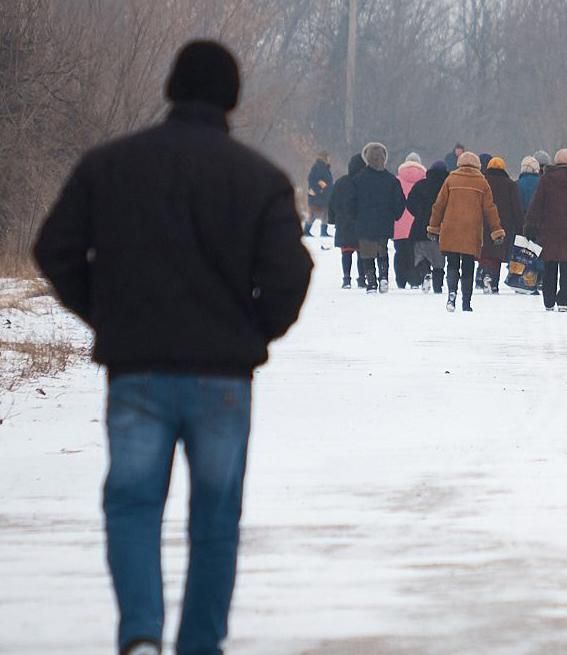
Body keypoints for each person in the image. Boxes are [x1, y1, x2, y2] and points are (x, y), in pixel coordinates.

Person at [32, 41, 312, 655]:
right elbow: (291, 274)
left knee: (132, 505)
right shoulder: (260, 180)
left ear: (170, 88)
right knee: (216, 518)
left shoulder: (109, 166)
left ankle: (139, 634)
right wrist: (251, 331)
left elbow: (53, 248)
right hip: (223, 378)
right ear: (232, 98)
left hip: (138, 372)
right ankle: (200, 644)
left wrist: (106, 315)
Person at [429, 151, 506, 312]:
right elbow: (490, 209)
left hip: (451, 228)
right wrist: (496, 230)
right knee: (468, 265)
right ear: (478, 165)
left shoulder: (451, 179)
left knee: (452, 263)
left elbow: (439, 205)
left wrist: (434, 227)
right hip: (471, 230)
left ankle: (451, 295)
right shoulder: (482, 182)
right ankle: (466, 301)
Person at [523, 148, 567, 312]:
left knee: (550, 266)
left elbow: (537, 204)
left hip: (549, 229)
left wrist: (531, 226)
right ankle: (563, 302)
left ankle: (549, 301)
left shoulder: (547, 179)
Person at [349, 141, 405, 293]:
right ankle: (384, 277)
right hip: (384, 221)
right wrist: (395, 215)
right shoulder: (391, 180)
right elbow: (400, 202)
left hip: (364, 221)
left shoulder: (357, 180)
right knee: (382, 248)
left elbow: (351, 202)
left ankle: (371, 281)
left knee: (366, 252)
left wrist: (354, 217)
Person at [481, 157, 524, 293]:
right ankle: (493, 283)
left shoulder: (482, 182)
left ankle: (486, 274)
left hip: (483, 221)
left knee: (485, 252)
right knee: (497, 254)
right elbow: (516, 207)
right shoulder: (510, 184)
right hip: (503, 223)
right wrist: (520, 226)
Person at [406, 160, 450, 293]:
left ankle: (425, 272)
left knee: (420, 256)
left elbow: (410, 204)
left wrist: (419, 214)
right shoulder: (447, 187)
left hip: (420, 227)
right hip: (440, 229)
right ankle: (438, 287)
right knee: (439, 261)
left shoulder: (420, 185)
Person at [329, 153, 366, 288]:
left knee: (346, 252)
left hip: (343, 223)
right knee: (362, 253)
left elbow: (332, 202)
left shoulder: (341, 182)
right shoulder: (364, 182)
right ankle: (362, 278)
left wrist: (332, 219)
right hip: (361, 222)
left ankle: (346, 278)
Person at [394, 152, 427, 289]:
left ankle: (401, 280)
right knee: (417, 253)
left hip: (399, 224)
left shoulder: (396, 180)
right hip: (418, 224)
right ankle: (416, 280)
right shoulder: (425, 181)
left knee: (400, 253)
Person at [305, 150, 333, 237]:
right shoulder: (318, 167)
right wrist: (318, 190)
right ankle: (308, 230)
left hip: (323, 196)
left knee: (324, 213)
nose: (329, 159)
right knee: (314, 214)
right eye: (328, 157)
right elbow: (312, 180)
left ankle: (322, 231)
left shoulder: (324, 167)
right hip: (318, 196)